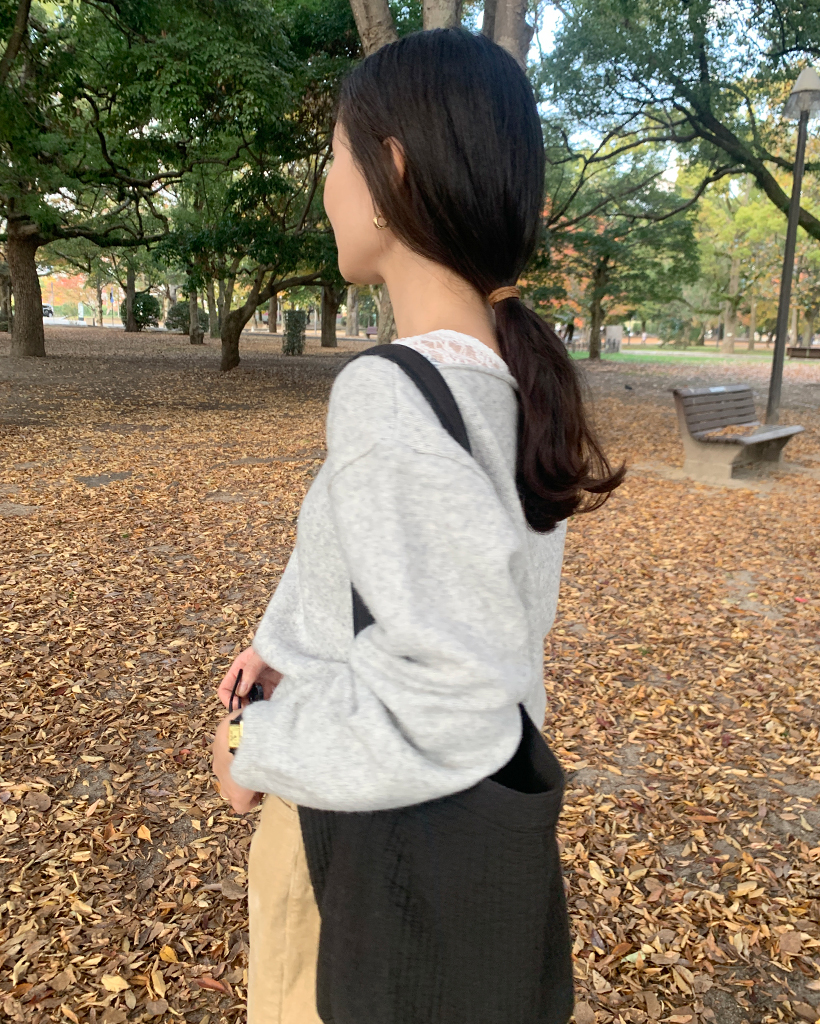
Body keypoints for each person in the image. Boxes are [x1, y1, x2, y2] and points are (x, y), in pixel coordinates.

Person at [210, 28, 624, 1024]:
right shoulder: (506, 383)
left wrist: (253, 742)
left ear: (390, 169)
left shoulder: (392, 392)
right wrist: (282, 640)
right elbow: (407, 568)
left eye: (334, 158)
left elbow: (452, 697)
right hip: (453, 857)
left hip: (357, 844)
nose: (324, 189)